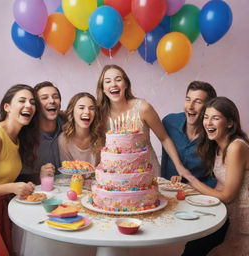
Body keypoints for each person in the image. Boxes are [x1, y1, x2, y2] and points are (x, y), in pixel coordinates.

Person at [180, 97, 249, 256]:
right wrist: (191, 190)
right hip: (226, 214)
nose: (208, 123)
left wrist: (192, 180)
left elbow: (228, 196)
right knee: (194, 246)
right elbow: (221, 185)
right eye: (206, 117)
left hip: (242, 219)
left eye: (215, 118)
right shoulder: (218, 146)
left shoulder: (236, 147)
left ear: (230, 123)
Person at [96, 64, 190, 177]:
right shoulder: (100, 114)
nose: (113, 84)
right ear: (103, 89)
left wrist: (179, 167)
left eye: (118, 79)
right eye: (107, 81)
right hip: (115, 178)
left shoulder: (143, 108)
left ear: (126, 84)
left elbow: (164, 138)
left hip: (147, 173)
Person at [0, 84, 39, 254]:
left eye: (32, 102)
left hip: (2, 208)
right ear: (7, 107)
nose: (29, 105)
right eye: (22, 100)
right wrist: (12, 187)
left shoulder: (18, 138)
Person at [161, 81, 217, 187]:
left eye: (198, 102)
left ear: (208, 107)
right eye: (188, 99)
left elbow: (216, 178)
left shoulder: (214, 136)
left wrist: (192, 186)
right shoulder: (169, 122)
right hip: (167, 192)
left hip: (198, 196)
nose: (190, 106)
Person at [18, 81, 65, 184]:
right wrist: (39, 176)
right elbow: (18, 177)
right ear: (36, 105)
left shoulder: (69, 125)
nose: (52, 100)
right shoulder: (24, 133)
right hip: (38, 191)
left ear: (60, 103)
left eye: (55, 97)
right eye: (44, 98)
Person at [58, 92, 103, 166]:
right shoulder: (63, 139)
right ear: (72, 111)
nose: (87, 112)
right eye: (81, 108)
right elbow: (67, 170)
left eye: (92, 108)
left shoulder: (100, 138)